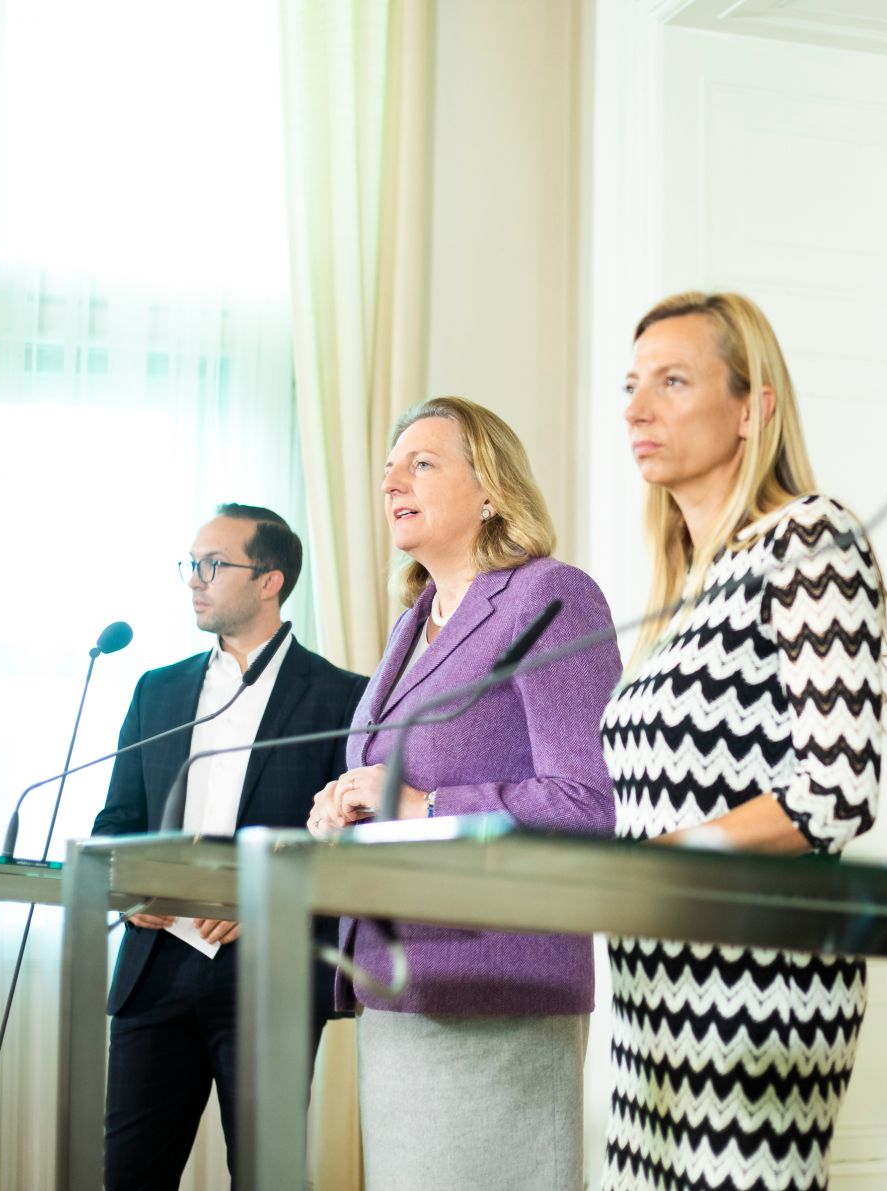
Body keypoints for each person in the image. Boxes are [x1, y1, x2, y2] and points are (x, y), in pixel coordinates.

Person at [598, 291, 886, 1189]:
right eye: (632, 385)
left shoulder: (811, 537)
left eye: (673, 381)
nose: (637, 409)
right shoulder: (684, 586)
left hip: (757, 988)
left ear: (752, 406)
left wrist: (661, 860)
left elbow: (836, 790)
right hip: (655, 992)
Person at [307, 397, 620, 1191]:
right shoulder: (412, 624)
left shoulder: (550, 595)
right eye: (388, 468)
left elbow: (589, 800)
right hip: (397, 979)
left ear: (489, 489)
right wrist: (343, 803)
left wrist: (422, 806)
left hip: (496, 984)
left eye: (421, 462)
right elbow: (397, 782)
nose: (391, 483)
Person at [92, 503, 367, 1190]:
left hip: (268, 973)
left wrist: (269, 895)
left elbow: (353, 846)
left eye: (212, 564)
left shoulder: (343, 698)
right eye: (191, 563)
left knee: (265, 1177)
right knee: (128, 1174)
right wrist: (133, 890)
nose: (194, 578)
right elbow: (117, 821)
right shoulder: (157, 690)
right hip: (154, 967)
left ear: (270, 580)